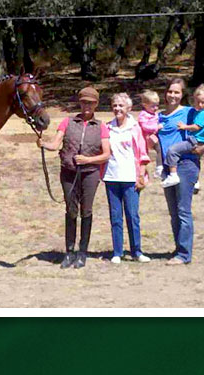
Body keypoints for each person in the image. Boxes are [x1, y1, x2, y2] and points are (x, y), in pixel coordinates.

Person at [37, 86, 111, 269]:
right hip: (68, 172)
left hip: (90, 174)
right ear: (80, 103)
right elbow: (56, 144)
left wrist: (88, 160)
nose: (87, 106)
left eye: (91, 103)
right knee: (71, 211)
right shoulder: (67, 122)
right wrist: (43, 144)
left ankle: (82, 252)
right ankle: (69, 251)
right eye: (84, 102)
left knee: (86, 211)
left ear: (96, 104)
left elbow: (106, 154)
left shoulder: (101, 127)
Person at [157, 78, 204, 265]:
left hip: (186, 165)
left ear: (182, 94)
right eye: (170, 91)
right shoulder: (159, 116)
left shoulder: (190, 112)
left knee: (183, 210)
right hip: (168, 168)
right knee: (173, 212)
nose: (172, 95)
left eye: (177, 92)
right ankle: (179, 248)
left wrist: (203, 147)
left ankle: (184, 254)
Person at [103, 93, 151, 264]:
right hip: (111, 177)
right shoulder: (107, 127)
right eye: (115, 105)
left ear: (129, 108)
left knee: (132, 215)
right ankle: (117, 252)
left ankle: (136, 251)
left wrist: (141, 175)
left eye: (121, 106)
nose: (117, 109)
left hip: (131, 177)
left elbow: (143, 154)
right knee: (115, 216)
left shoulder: (135, 127)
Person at [161, 83, 204, 188]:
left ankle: (173, 175)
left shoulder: (200, 113)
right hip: (197, 141)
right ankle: (196, 180)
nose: (199, 105)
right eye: (197, 102)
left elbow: (198, 127)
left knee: (172, 150)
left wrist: (185, 127)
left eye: (203, 102)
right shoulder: (203, 111)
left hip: (193, 145)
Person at [138, 90, 164, 178]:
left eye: (157, 105)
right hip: (146, 137)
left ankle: (159, 166)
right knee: (144, 154)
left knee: (160, 149)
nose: (156, 108)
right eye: (153, 106)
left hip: (154, 135)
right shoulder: (143, 115)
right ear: (145, 105)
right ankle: (142, 171)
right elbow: (144, 126)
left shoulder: (155, 114)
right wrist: (156, 127)